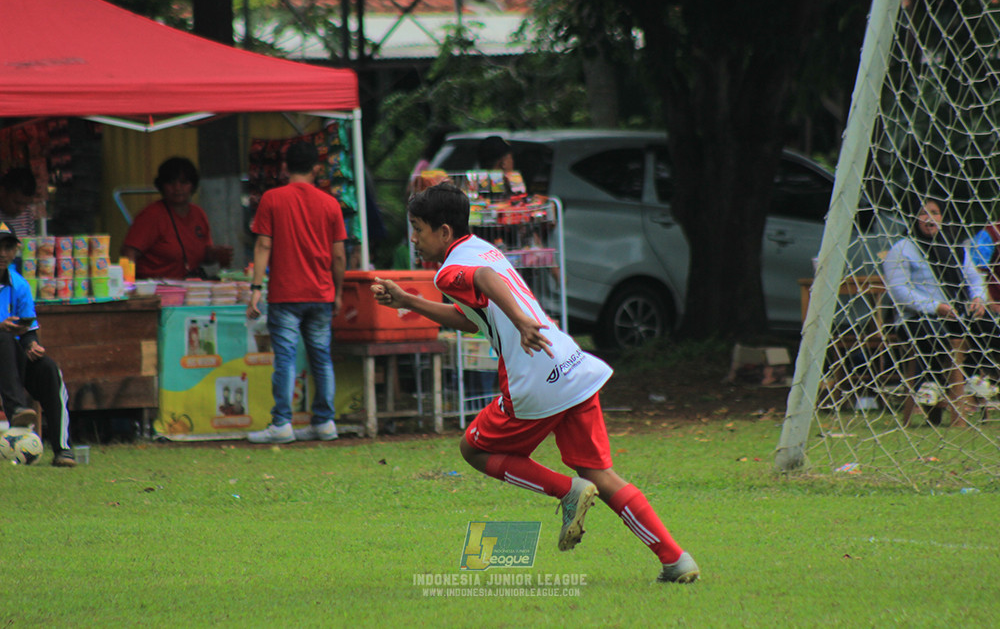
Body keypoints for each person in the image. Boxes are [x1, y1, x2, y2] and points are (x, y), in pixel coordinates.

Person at [370, 183, 699, 583]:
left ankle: (566, 492)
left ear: (443, 232)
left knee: (473, 448)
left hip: (535, 378)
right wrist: (407, 300)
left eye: (418, 229)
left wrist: (523, 323)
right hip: (570, 365)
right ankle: (675, 559)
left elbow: (488, 281)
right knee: (601, 475)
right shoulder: (482, 247)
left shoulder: (450, 270)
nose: (414, 239)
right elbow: (471, 319)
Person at [246, 141, 347, 444]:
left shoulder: (272, 199)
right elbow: (339, 255)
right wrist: (338, 292)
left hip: (285, 294)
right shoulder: (330, 204)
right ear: (316, 169)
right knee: (321, 358)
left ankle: (282, 424)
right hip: (321, 294)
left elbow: (264, 245)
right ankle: (325, 422)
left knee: (286, 359)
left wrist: (255, 288)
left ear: (285, 167)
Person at [883, 198, 1000, 426]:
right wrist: (935, 307)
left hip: (956, 314)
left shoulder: (954, 246)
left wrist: (977, 297)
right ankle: (932, 381)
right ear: (914, 218)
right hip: (916, 318)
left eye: (935, 213)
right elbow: (899, 291)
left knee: (987, 324)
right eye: (924, 213)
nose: (930, 218)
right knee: (933, 330)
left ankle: (974, 377)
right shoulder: (902, 249)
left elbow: (974, 276)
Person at [0, 222, 76, 467]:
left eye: (8, 247)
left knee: (48, 368)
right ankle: (16, 410)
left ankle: (63, 449)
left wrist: (32, 344)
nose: (2, 253)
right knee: (3, 338)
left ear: (15, 251)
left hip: (11, 359)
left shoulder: (19, 285)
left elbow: (30, 330)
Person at [121, 157, 233, 280]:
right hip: (157, 288)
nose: (177, 187)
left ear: (193, 185)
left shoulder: (198, 213)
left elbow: (202, 255)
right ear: (162, 186)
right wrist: (130, 285)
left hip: (191, 286)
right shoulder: (151, 215)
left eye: (184, 182)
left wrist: (217, 254)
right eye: (171, 182)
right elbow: (128, 253)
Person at [0, 167, 39, 241]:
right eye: (17, 202)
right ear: (2, 192)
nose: (21, 209)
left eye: (26, 204)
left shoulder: (27, 214)